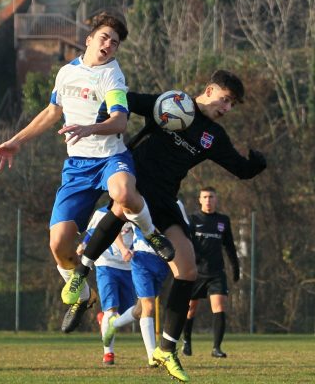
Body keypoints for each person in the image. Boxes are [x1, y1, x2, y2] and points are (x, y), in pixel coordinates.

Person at [63, 70, 267, 382]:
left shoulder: (213, 136)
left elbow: (239, 168)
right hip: (134, 180)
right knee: (121, 206)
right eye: (225, 100)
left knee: (187, 270)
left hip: (164, 200)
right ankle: (80, 275)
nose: (226, 108)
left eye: (232, 105)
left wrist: (256, 164)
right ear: (209, 89)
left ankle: (166, 350)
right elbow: (125, 101)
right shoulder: (170, 103)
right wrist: (105, 124)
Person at [0, 12, 174, 334]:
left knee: (124, 193)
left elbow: (119, 122)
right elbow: (51, 112)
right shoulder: (66, 72)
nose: (108, 45)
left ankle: (152, 232)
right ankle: (84, 296)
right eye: (104, 38)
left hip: (111, 157)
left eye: (114, 43)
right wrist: (17, 141)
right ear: (88, 39)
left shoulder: (112, 77)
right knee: (58, 245)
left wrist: (89, 128)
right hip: (77, 167)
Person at [102, 202, 183, 367]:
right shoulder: (138, 202)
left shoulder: (176, 203)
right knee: (149, 307)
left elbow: (183, 230)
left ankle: (114, 323)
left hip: (163, 262)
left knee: (141, 309)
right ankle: (152, 356)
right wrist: (124, 249)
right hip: (142, 260)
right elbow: (114, 226)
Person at [182, 186, 240, 358]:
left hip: (216, 272)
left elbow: (229, 246)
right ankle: (186, 341)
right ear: (200, 200)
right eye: (205, 197)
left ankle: (216, 348)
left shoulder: (223, 220)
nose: (208, 200)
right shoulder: (193, 219)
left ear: (216, 199)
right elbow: (185, 243)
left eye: (211, 197)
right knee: (190, 309)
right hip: (196, 272)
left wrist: (236, 267)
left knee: (219, 307)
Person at [77, 207, 136, 365]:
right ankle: (108, 353)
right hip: (106, 264)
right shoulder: (101, 213)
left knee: (128, 313)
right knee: (111, 310)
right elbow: (92, 232)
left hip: (129, 267)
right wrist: (83, 245)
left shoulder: (138, 210)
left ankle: (103, 318)